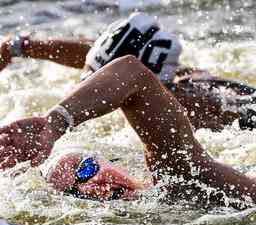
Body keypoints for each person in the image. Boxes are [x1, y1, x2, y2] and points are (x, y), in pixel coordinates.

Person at [0, 54, 256, 209]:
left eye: (87, 168)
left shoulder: (181, 180)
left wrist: (53, 124)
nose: (94, 184)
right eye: (78, 191)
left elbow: (131, 72)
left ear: (106, 162)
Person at [1, 12, 256, 132]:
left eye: (96, 79)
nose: (89, 86)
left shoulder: (186, 107)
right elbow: (95, 54)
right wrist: (19, 47)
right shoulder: (169, 73)